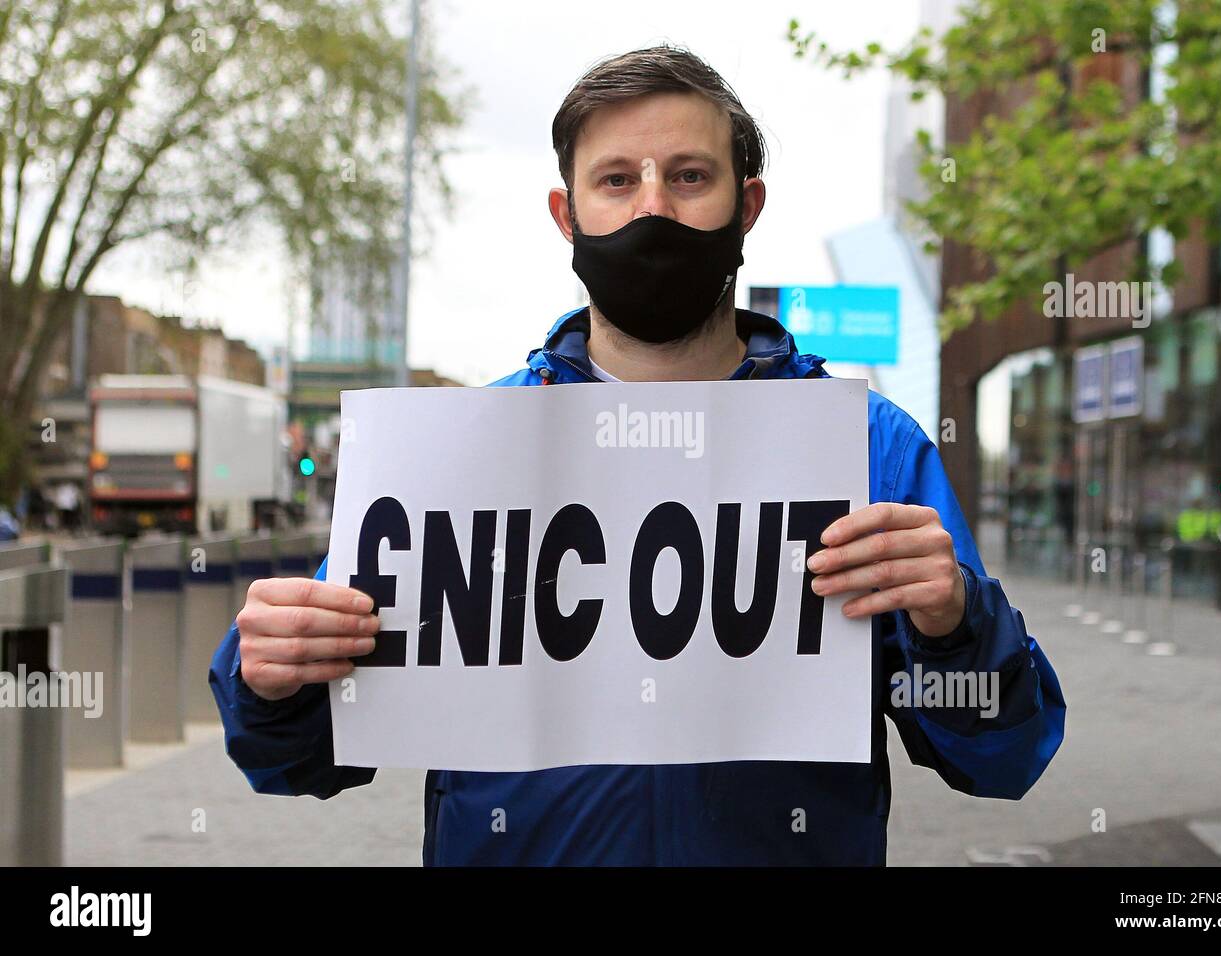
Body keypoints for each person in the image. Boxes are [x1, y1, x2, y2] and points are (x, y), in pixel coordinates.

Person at [211, 46, 1065, 866]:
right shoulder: (457, 453)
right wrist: (269, 675)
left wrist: (958, 625)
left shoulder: (868, 450)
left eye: (689, 176)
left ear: (748, 204)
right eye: (617, 180)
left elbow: (1000, 758)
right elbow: (301, 761)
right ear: (567, 214)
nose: (652, 208)